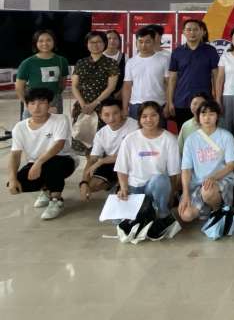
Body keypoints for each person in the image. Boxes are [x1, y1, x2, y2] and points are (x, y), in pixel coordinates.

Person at [114, 101, 181, 237]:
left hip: (156, 188)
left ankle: (163, 215)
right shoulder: (130, 139)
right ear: (139, 119)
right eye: (144, 116)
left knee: (160, 179)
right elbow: (121, 169)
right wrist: (123, 188)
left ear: (160, 117)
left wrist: (170, 197)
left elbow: (173, 174)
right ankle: (148, 212)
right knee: (118, 220)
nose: (149, 119)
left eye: (153, 115)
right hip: (135, 188)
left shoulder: (169, 139)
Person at [7, 88, 75, 220]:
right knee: (18, 183)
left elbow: (59, 145)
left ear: (49, 104)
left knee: (52, 166)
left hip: (63, 159)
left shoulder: (60, 119)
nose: (37, 107)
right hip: (35, 163)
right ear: (27, 105)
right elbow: (15, 155)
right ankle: (46, 189)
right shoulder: (19, 127)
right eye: (32, 103)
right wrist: (12, 178)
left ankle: (56, 200)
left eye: (42, 102)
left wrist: (38, 163)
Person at [178, 101, 234, 222]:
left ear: (217, 116)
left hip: (221, 180)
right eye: (203, 114)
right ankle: (208, 207)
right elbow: (186, 169)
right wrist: (185, 194)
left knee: (207, 191)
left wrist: (213, 177)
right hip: (198, 184)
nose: (207, 118)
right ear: (198, 117)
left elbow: (231, 166)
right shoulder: (191, 140)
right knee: (186, 215)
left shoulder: (226, 136)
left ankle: (217, 211)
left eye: (211, 114)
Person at [71, 31, 121, 153]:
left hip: (103, 108)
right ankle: (90, 164)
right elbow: (74, 86)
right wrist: (83, 104)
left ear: (104, 43)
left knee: (101, 145)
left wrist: (94, 104)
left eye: (99, 42)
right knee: (84, 142)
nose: (95, 45)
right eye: (91, 42)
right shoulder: (81, 63)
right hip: (83, 108)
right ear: (87, 44)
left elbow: (111, 87)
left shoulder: (111, 63)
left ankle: (97, 164)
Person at [79, 99, 139, 201]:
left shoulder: (135, 126)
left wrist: (102, 161)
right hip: (112, 163)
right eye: (106, 114)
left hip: (132, 163)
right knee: (91, 186)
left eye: (115, 113)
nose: (111, 118)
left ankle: (121, 184)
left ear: (122, 112)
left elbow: (134, 154)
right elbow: (92, 159)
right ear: (101, 116)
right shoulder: (101, 134)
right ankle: (113, 182)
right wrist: (84, 182)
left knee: (128, 193)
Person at [167, 19, 220, 128]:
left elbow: (216, 76)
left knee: (205, 132)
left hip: (204, 102)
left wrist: (217, 98)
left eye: (196, 29)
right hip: (182, 101)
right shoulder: (177, 52)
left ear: (202, 32)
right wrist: (170, 101)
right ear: (183, 32)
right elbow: (172, 79)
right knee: (184, 131)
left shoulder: (210, 51)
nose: (192, 32)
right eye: (189, 30)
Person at [16, 29, 69, 117]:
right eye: (41, 41)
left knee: (54, 124)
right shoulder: (27, 63)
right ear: (35, 43)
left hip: (54, 102)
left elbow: (62, 84)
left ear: (54, 42)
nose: (45, 43)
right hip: (33, 101)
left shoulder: (62, 61)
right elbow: (19, 87)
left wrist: (54, 98)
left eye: (48, 40)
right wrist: (27, 103)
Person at [122, 27, 170, 123]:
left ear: (154, 42)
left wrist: (168, 105)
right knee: (136, 131)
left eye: (147, 42)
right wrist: (124, 107)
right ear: (136, 43)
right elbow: (127, 86)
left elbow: (168, 84)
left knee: (158, 131)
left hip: (159, 104)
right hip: (136, 105)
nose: (143, 45)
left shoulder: (164, 60)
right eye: (140, 42)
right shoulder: (131, 62)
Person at [104, 29, 126, 99]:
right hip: (99, 97)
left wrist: (119, 94)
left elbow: (127, 80)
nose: (112, 41)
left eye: (115, 38)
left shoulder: (125, 57)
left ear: (119, 41)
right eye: (109, 38)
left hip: (119, 96)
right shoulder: (98, 56)